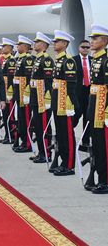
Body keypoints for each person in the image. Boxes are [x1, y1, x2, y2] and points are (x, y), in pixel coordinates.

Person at [50, 30, 78, 176]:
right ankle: (62, 161)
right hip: (57, 102)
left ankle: (69, 165)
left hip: (65, 104)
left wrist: (69, 104)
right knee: (60, 134)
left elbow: (71, 85)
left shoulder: (68, 61)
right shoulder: (59, 59)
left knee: (67, 134)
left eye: (57, 41)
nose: (55, 43)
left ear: (65, 44)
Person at [86, 25, 108, 193]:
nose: (92, 41)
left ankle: (104, 180)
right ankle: (99, 176)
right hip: (94, 107)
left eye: (96, 38)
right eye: (92, 38)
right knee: (96, 144)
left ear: (105, 41)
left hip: (102, 108)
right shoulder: (95, 59)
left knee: (103, 145)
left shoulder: (106, 60)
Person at [29, 32, 54, 163]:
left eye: (37, 42)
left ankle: (46, 152)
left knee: (43, 127)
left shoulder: (46, 59)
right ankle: (41, 151)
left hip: (42, 99)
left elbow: (49, 81)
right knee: (37, 127)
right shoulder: (38, 59)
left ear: (44, 45)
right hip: (35, 97)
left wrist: (47, 99)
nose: (35, 44)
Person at [12, 35, 34, 153]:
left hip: (24, 95)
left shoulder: (28, 59)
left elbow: (29, 77)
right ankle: (22, 140)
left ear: (25, 46)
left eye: (20, 44)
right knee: (20, 119)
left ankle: (27, 143)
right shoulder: (20, 59)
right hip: (18, 93)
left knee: (25, 119)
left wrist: (26, 94)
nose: (17, 46)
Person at [73, 40, 92, 145]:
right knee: (76, 114)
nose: (85, 49)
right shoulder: (74, 60)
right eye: (83, 47)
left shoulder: (93, 60)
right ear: (79, 48)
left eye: (87, 47)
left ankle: (85, 142)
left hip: (89, 92)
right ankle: (69, 135)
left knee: (87, 117)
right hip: (78, 92)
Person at [0, 37, 17, 144]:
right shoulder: (5, 60)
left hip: (8, 91)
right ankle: (7, 134)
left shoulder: (11, 61)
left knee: (9, 114)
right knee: (5, 114)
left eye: (4, 46)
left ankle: (12, 135)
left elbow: (10, 78)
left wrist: (9, 92)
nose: (2, 48)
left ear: (10, 48)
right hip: (4, 90)